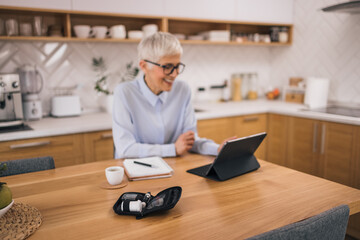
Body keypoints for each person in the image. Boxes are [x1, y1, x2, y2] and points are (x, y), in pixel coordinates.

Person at [112, 32, 230, 159]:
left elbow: (189, 141)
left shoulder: (182, 90)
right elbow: (126, 149)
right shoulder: (124, 93)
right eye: (167, 67)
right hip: (136, 171)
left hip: (172, 168)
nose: (174, 74)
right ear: (144, 66)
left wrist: (217, 149)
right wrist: (172, 149)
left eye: (177, 66)